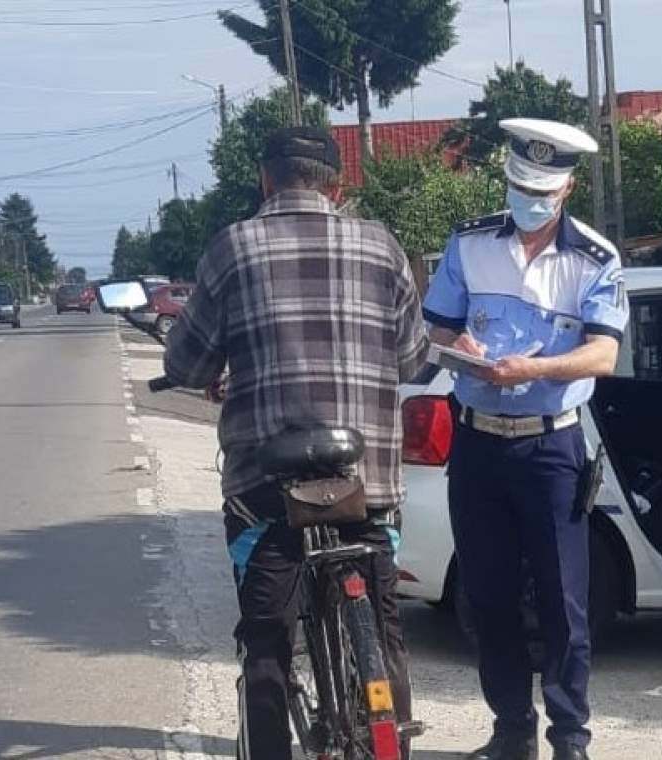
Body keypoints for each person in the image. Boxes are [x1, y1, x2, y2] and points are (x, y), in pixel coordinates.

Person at [162, 126, 429, 759]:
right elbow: (413, 360)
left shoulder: (232, 248)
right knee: (385, 624)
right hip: (367, 485)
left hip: (267, 488)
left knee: (266, 640)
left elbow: (187, 364)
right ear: (338, 185)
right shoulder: (383, 246)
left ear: (266, 181)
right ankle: (390, 732)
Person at [423, 118, 629, 760]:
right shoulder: (469, 243)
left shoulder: (594, 258)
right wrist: (460, 345)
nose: (528, 201)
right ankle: (511, 731)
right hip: (478, 444)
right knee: (487, 596)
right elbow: (435, 332)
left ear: (567, 189)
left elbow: (603, 355)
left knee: (563, 602)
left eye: (541, 191)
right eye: (519, 187)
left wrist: (534, 369)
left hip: (550, 448)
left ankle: (569, 738)